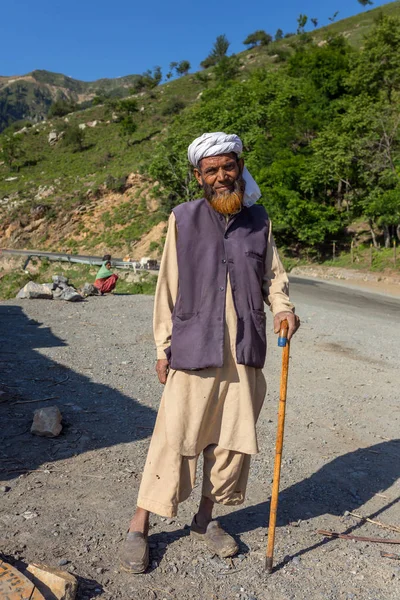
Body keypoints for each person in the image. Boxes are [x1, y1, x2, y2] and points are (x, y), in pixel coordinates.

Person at [120, 132, 300, 574]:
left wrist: (283, 309)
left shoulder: (259, 221)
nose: (222, 177)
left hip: (244, 353)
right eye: (211, 170)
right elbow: (167, 287)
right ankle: (139, 527)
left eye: (228, 167)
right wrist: (163, 347)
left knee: (230, 445)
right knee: (174, 438)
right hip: (193, 346)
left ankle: (206, 520)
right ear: (198, 176)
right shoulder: (183, 218)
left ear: (240, 166)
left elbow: (273, 278)